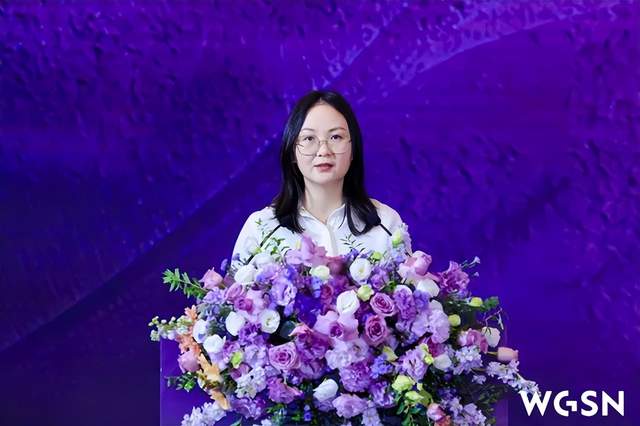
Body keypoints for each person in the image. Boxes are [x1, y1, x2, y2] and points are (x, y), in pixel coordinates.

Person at [231, 89, 412, 269]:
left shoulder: (386, 222)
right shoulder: (261, 228)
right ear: (292, 152)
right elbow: (234, 287)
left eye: (336, 137)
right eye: (309, 138)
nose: (324, 151)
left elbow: (409, 283)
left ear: (353, 150)